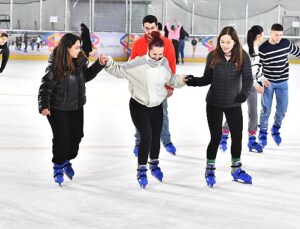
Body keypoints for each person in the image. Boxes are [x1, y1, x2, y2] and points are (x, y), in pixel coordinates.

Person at [100, 31, 187, 188]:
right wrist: (108, 62)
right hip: (139, 105)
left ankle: (154, 164)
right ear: (149, 50)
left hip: (157, 107)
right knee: (146, 136)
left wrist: (182, 80)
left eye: (160, 54)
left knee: (155, 137)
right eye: (154, 54)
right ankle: (141, 170)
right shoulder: (138, 63)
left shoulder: (164, 63)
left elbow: (171, 79)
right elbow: (120, 70)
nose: (157, 58)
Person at [186, 26, 253, 187]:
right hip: (214, 102)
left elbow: (248, 79)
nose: (225, 44)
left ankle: (236, 169)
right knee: (215, 137)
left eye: (228, 42)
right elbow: (207, 78)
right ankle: (210, 169)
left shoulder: (243, 56)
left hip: (234, 103)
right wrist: (193, 81)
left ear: (235, 41)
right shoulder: (213, 56)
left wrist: (244, 94)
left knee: (237, 137)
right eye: (222, 41)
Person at [38, 33, 104, 185]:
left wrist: (98, 65)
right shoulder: (55, 65)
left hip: (76, 106)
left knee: (77, 136)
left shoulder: (79, 61)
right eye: (76, 47)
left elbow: (85, 77)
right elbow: (45, 87)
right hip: (57, 108)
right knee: (62, 138)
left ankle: (66, 159)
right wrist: (44, 106)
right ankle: (58, 165)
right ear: (67, 48)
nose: (79, 50)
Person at [130, 15, 177, 156]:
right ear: (143, 28)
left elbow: (172, 66)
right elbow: (132, 65)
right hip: (142, 88)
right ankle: (139, 142)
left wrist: (170, 86)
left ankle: (166, 140)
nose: (149, 31)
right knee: (140, 116)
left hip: (160, 87)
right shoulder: (138, 44)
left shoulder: (167, 43)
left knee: (163, 114)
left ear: (157, 27)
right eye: (146, 28)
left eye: (152, 28)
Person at [219, 25, 270, 153]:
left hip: (251, 85)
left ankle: (252, 141)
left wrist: (263, 80)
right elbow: (242, 73)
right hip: (240, 84)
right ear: (259, 36)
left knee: (253, 113)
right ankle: (224, 136)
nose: (263, 36)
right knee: (234, 112)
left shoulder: (257, 51)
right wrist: (255, 85)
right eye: (263, 34)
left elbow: (257, 71)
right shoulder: (244, 51)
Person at [258, 23, 300, 148]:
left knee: (282, 109)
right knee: (266, 109)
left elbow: (298, 52)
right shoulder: (263, 48)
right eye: (276, 35)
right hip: (268, 83)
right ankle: (263, 133)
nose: (278, 38)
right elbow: (258, 67)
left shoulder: (286, 43)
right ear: (271, 33)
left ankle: (275, 128)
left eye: (280, 35)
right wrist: (262, 79)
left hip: (283, 82)